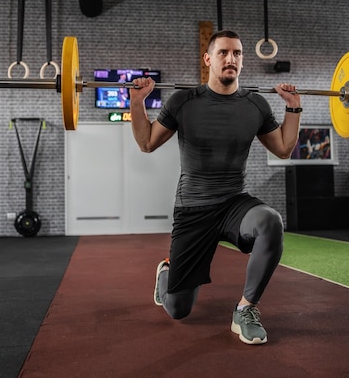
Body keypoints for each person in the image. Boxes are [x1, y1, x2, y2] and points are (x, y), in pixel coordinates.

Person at [129, 30, 302, 345]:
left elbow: (283, 149)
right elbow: (146, 143)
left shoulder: (256, 105)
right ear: (208, 59)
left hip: (234, 204)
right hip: (193, 209)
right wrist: (137, 102)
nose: (231, 59)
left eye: (237, 53)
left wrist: (293, 108)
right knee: (179, 310)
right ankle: (168, 273)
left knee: (270, 221)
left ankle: (246, 310)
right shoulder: (184, 101)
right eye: (223, 52)